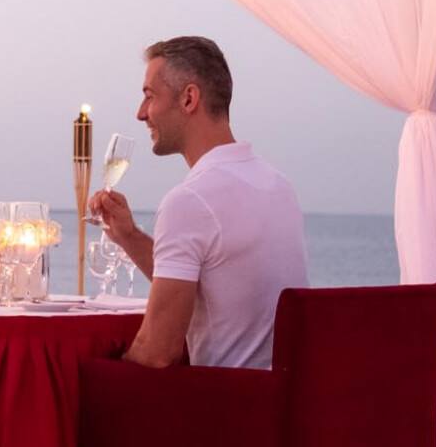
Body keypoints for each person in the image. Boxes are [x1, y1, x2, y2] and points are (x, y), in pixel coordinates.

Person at [88, 36, 309, 369]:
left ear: (189, 98)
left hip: (221, 407)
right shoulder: (279, 186)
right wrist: (129, 236)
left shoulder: (190, 201)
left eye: (150, 96)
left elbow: (157, 353)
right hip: (283, 404)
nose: (140, 113)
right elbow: (211, 282)